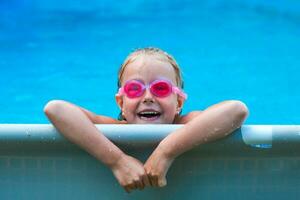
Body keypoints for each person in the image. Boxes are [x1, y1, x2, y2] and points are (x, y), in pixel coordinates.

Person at [44, 47, 249, 193]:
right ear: (121, 104)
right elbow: (56, 109)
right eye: (135, 89)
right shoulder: (113, 128)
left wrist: (166, 151)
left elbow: (236, 110)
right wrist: (117, 161)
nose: (148, 97)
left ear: (178, 102)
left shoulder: (185, 125)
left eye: (161, 88)